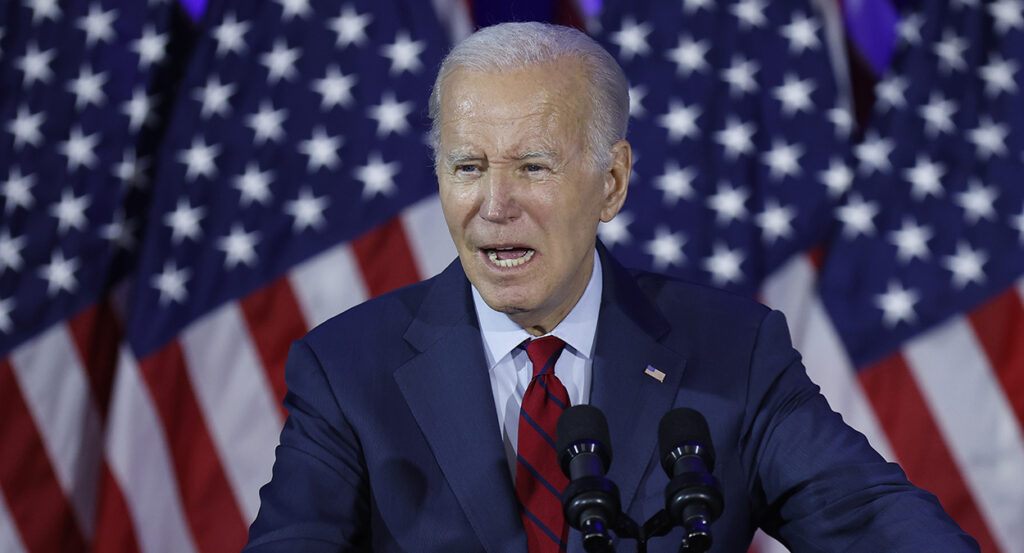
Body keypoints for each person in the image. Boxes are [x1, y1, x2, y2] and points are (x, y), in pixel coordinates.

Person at [244, 22, 978, 553]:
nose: (494, 205)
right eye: (468, 166)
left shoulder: (733, 353)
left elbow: (874, 523)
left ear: (613, 183)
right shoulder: (347, 369)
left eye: (533, 166)